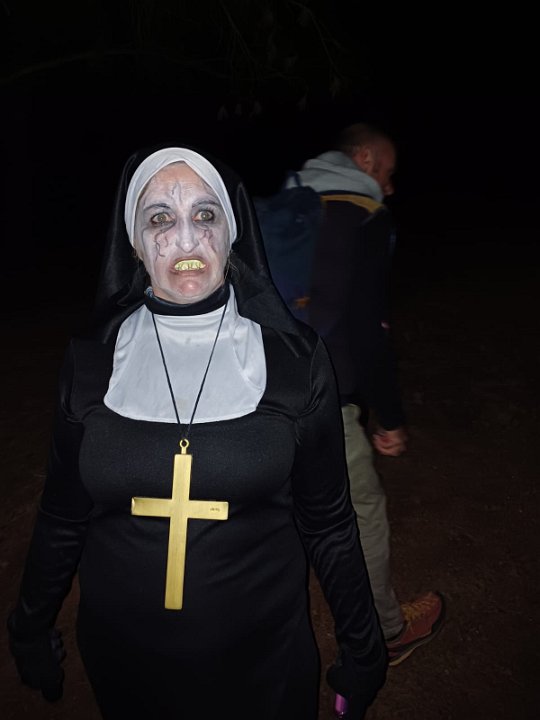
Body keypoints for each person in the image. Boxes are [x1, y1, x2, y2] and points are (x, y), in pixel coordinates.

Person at [7, 144, 388, 719]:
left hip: (263, 667)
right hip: (126, 668)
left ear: (233, 232)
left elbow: (328, 522)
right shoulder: (91, 362)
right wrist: (29, 627)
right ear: (134, 243)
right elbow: (63, 514)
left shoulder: (292, 361)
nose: (185, 239)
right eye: (160, 218)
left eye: (205, 214)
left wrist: (363, 648)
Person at [287, 123, 445, 665]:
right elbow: (366, 328)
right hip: (322, 402)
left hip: (259, 393)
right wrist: (390, 418)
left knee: (275, 513)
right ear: (363, 159)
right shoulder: (363, 215)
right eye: (388, 171)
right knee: (363, 510)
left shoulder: (286, 206)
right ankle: (386, 631)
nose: (391, 186)